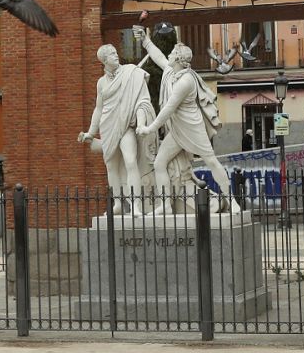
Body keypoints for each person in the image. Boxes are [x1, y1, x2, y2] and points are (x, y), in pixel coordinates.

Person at [136, 27, 232, 212]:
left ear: (179, 60)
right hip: (178, 130)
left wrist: (150, 129)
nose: (169, 55)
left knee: (211, 161)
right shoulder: (172, 72)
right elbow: (159, 58)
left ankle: (232, 200)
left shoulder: (185, 81)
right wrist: (146, 41)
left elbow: (168, 109)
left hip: (192, 127)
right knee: (159, 163)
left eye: (172, 53)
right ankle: (165, 205)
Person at [78, 43, 156, 213]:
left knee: (130, 161)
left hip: (126, 124)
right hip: (108, 126)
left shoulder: (130, 71)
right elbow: (99, 108)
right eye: (112, 54)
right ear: (104, 61)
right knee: (111, 167)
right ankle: (119, 204)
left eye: (115, 52)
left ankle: (136, 203)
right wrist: (91, 132)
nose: (116, 55)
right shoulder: (101, 82)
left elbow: (141, 98)